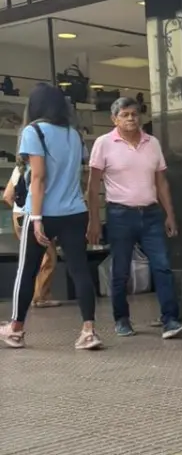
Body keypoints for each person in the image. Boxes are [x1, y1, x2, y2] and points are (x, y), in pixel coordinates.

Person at [1, 83, 102, 350]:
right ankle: (89, 331)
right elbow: (77, 173)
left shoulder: (33, 132)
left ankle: (16, 329)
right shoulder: (74, 134)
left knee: (26, 271)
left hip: (43, 213)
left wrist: (35, 218)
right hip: (74, 211)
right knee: (80, 270)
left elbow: (38, 176)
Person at [87, 97, 182, 340]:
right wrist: (93, 219)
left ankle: (170, 320)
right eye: (125, 114)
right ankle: (121, 319)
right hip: (119, 214)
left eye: (134, 114)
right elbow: (92, 186)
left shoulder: (152, 143)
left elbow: (161, 182)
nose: (131, 118)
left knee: (162, 266)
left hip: (152, 214)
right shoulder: (103, 144)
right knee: (121, 270)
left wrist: (170, 215)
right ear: (114, 119)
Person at [3, 162, 59, 308]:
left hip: (18, 216)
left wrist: (19, 209)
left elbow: (7, 196)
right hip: (34, 215)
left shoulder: (18, 169)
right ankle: (40, 297)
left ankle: (32, 297)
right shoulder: (40, 168)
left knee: (31, 258)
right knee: (49, 258)